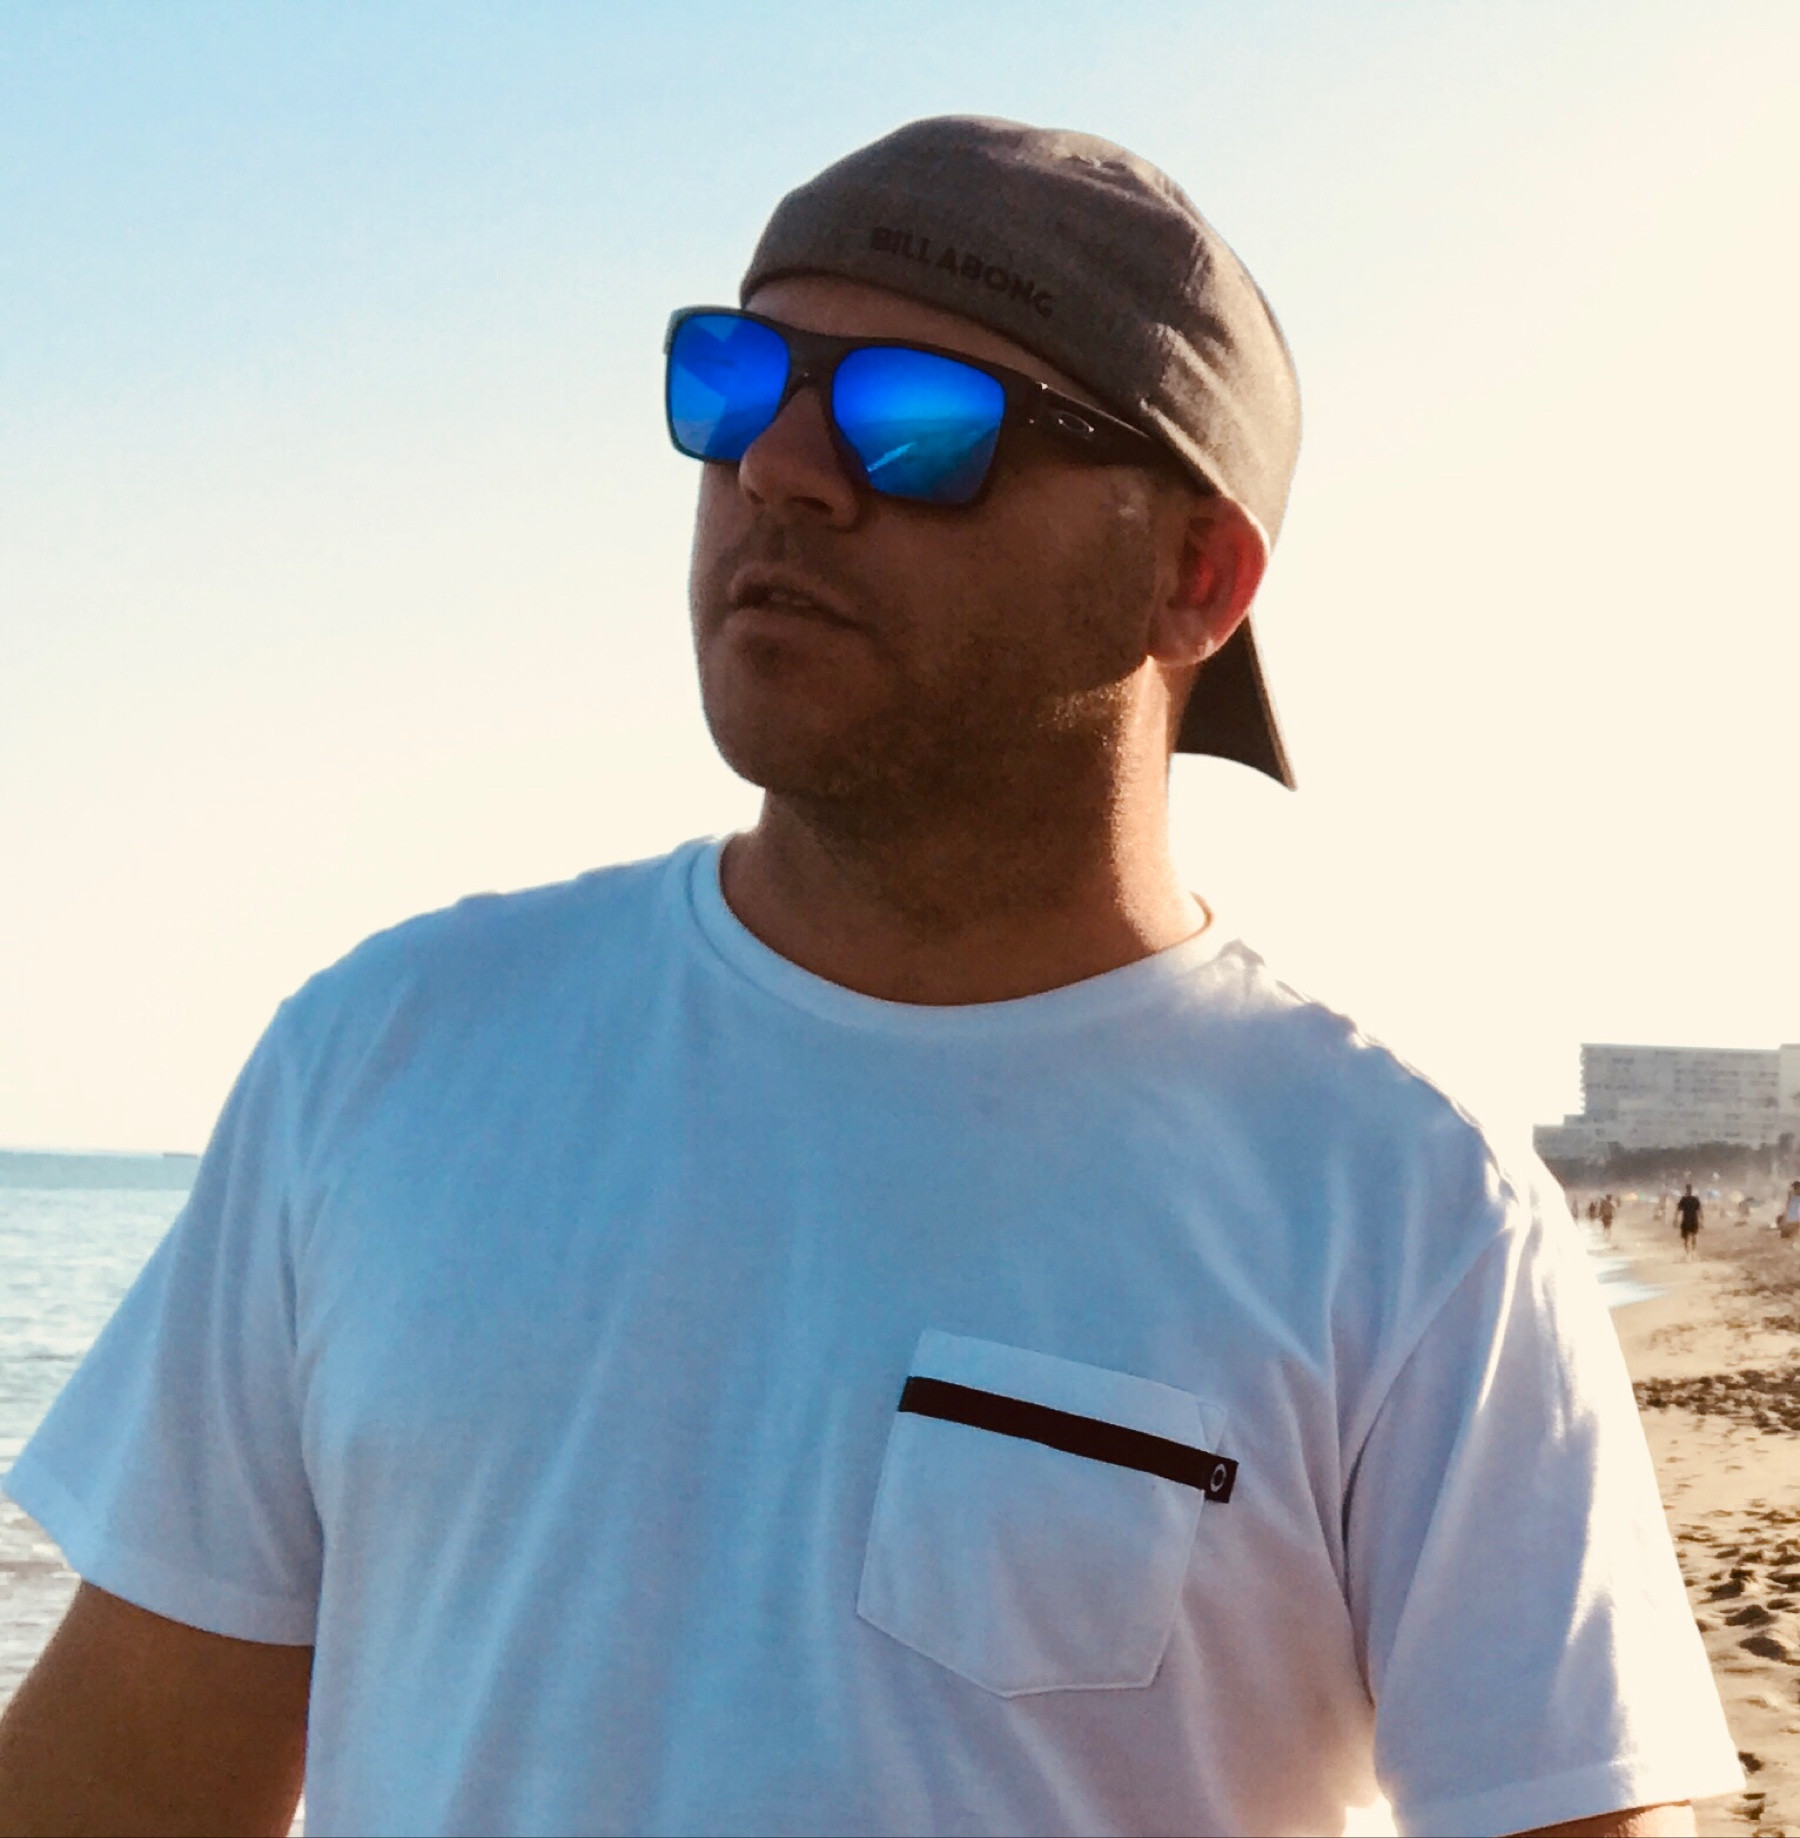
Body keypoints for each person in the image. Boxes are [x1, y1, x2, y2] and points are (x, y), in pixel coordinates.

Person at [0, 118, 1739, 1838]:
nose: (784, 469)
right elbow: (132, 1773)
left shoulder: (1403, 1205)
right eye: (737, 385)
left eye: (920, 424)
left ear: (1193, 577)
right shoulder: (386, 1056)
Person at [1676, 1184, 1704, 1257]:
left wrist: (1675, 1218)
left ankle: (1690, 1252)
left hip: (1689, 1220)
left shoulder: (1686, 1199)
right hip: (1691, 1220)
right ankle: (1690, 1252)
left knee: (1690, 1237)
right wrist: (1701, 1220)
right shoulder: (1691, 1199)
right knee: (1690, 1237)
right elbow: (1700, 1210)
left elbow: (1678, 1209)